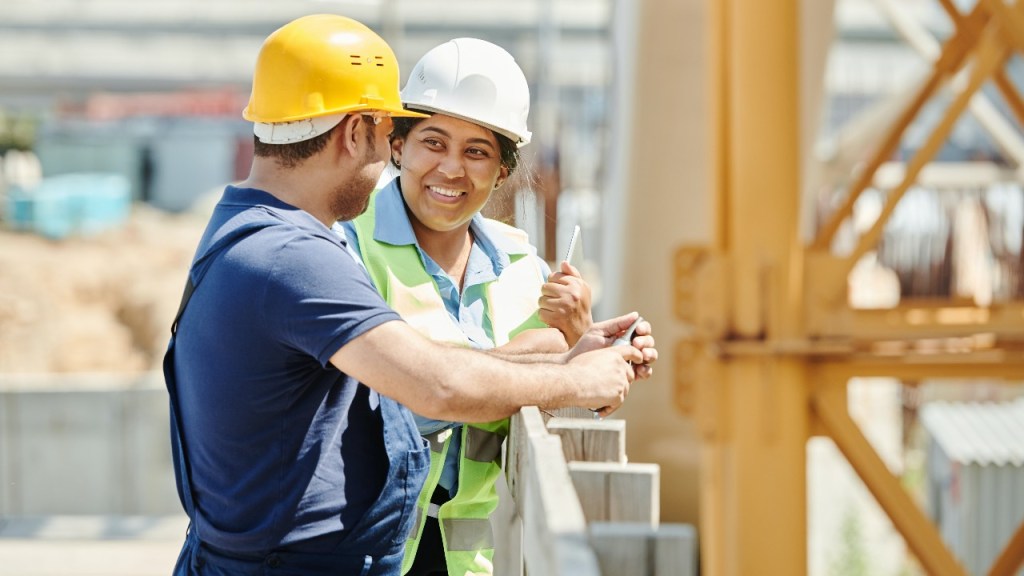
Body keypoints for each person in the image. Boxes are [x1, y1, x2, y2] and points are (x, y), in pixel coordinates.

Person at [164, 14, 652, 576]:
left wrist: (569, 349)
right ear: (357, 133)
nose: (385, 165)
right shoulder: (296, 258)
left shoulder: (256, 233)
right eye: (392, 134)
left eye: (476, 151)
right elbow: (435, 386)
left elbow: (420, 375)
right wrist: (577, 378)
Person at [339, 38, 655, 576]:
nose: (451, 169)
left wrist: (586, 345)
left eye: (477, 151)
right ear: (398, 146)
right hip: (358, 552)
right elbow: (402, 393)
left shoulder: (522, 267)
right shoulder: (348, 246)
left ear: (502, 171)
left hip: (465, 561)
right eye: (433, 142)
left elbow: (554, 401)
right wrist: (534, 357)